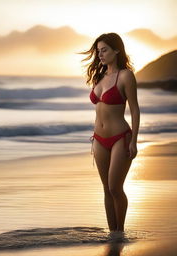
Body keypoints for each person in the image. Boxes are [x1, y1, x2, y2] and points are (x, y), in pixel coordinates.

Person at [79, 33, 140, 234]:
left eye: (104, 50)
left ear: (116, 50)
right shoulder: (99, 77)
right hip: (98, 140)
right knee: (106, 189)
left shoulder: (125, 76)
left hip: (120, 138)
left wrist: (134, 142)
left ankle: (120, 232)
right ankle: (112, 233)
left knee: (115, 187)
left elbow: (135, 109)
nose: (100, 55)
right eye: (98, 51)